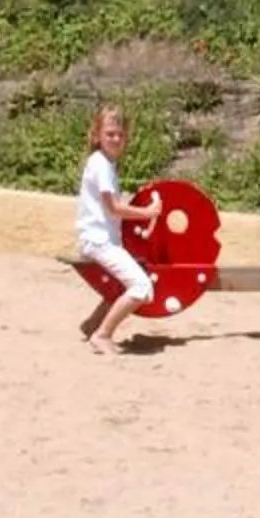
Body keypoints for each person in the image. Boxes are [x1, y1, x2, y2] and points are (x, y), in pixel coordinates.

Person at [74, 105, 165, 355]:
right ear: (97, 136)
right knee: (141, 287)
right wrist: (148, 213)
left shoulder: (104, 164)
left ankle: (92, 324)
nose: (115, 139)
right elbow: (113, 208)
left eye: (120, 134)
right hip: (99, 241)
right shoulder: (101, 165)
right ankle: (103, 335)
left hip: (100, 239)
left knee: (119, 284)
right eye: (110, 133)